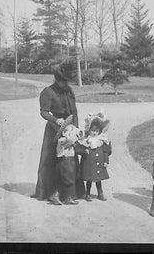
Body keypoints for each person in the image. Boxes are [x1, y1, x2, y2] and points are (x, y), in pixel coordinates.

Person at [32, 63, 80, 204]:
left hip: (70, 129)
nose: (66, 84)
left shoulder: (69, 91)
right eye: (63, 82)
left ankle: (68, 194)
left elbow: (74, 112)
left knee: (69, 162)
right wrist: (55, 119)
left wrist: (76, 130)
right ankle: (51, 192)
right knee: (52, 161)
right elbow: (44, 112)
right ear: (57, 79)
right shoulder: (48, 92)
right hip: (54, 130)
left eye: (67, 82)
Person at [75, 113, 111, 202]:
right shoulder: (86, 140)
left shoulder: (101, 139)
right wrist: (84, 151)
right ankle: (87, 194)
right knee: (89, 179)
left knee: (98, 179)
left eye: (96, 131)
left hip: (99, 162)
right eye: (93, 130)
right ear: (89, 130)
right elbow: (78, 149)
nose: (94, 133)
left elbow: (105, 151)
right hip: (89, 163)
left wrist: (106, 161)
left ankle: (100, 193)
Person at [54, 115, 81, 205]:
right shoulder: (62, 140)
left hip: (70, 159)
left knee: (70, 178)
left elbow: (75, 142)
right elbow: (69, 142)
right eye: (69, 131)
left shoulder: (68, 139)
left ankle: (68, 197)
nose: (71, 132)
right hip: (65, 160)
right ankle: (56, 195)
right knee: (67, 178)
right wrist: (74, 138)